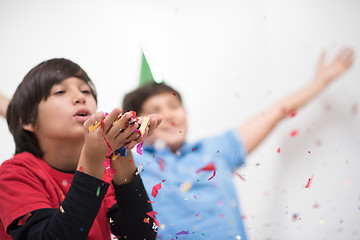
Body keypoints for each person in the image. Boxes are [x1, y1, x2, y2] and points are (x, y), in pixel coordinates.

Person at [121, 47, 354, 240]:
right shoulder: (131, 163)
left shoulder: (214, 150)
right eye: (155, 111)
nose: (169, 116)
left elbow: (277, 112)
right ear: (139, 122)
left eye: (174, 107)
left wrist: (320, 82)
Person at [0, 58, 163, 240]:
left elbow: (142, 235)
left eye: (86, 90)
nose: (81, 97)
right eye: (60, 91)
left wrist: (121, 152)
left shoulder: (104, 172)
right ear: (27, 120)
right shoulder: (14, 174)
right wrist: (92, 160)